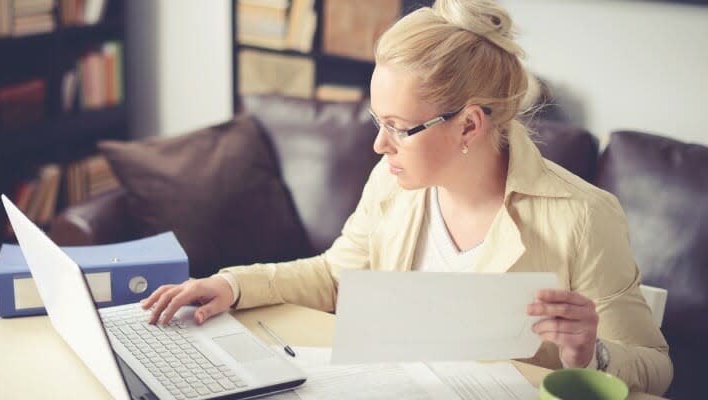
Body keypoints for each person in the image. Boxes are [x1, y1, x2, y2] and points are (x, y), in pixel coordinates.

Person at [141, 0, 672, 395]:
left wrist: (590, 352)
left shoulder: (582, 217)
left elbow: (657, 366)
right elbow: (333, 277)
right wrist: (230, 285)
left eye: (398, 126)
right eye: (378, 121)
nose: (379, 144)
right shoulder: (393, 183)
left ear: (469, 124)